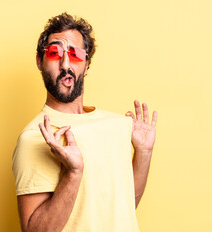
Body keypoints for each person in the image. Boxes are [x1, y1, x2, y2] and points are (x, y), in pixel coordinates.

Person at [12, 12, 157, 232]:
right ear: (39, 61)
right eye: (54, 53)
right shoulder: (36, 137)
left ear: (87, 64)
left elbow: (124, 208)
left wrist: (144, 153)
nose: (65, 64)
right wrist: (72, 174)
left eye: (75, 54)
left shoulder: (116, 126)